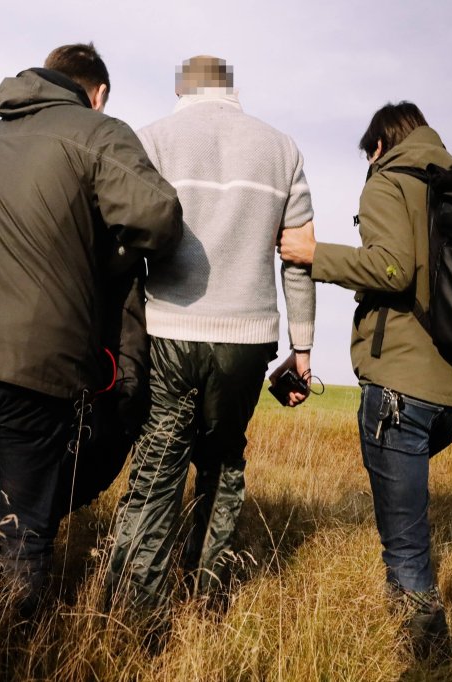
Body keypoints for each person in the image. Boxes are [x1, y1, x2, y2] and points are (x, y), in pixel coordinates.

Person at [0, 43, 182, 672]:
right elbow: (160, 216)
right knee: (26, 525)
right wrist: (117, 256)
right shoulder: (95, 130)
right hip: (33, 364)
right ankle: (2, 660)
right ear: (99, 92)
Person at [278, 101, 452, 660]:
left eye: (367, 154)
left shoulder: (389, 182)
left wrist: (314, 254)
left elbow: (392, 267)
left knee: (405, 542)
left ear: (379, 145)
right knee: (409, 524)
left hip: (401, 391)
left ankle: (426, 659)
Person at [105, 56, 317, 625]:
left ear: (182, 88)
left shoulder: (149, 139)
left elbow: (120, 237)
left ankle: (136, 612)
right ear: (233, 89)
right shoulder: (283, 147)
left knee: (159, 460)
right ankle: (208, 599)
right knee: (223, 459)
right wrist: (303, 348)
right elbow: (299, 259)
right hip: (249, 338)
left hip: (171, 326)